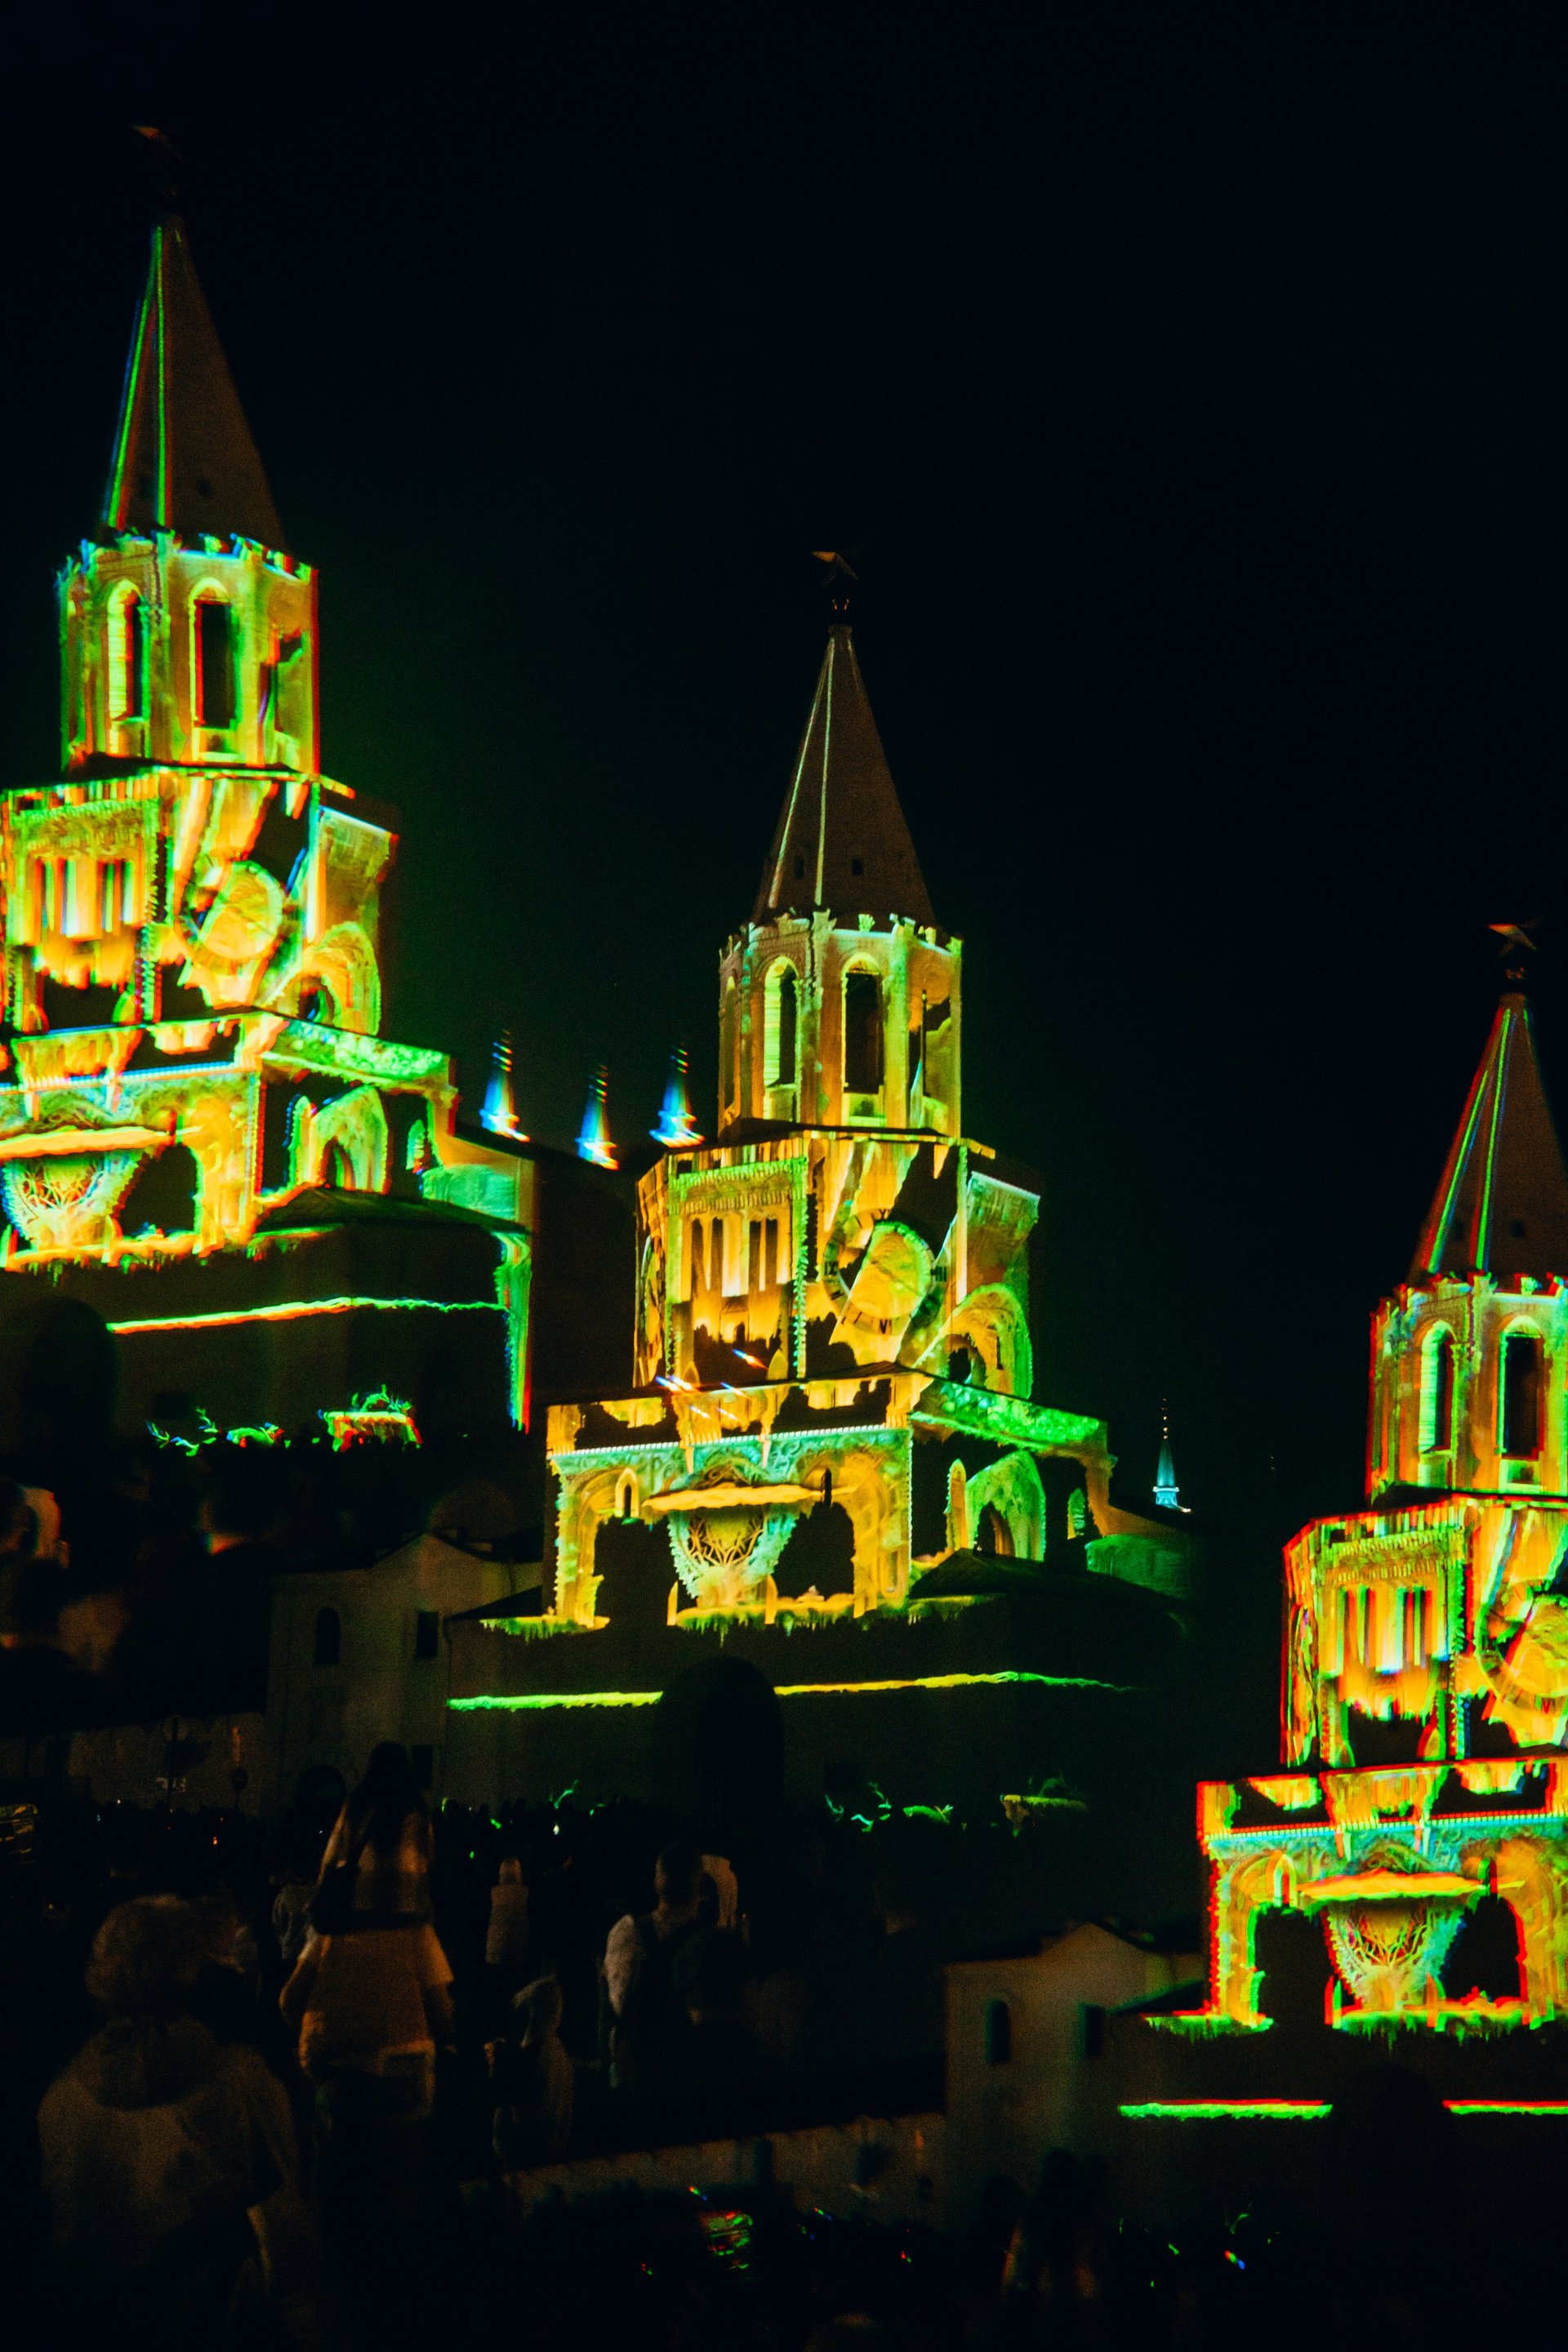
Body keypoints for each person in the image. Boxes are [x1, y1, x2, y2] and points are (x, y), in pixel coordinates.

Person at [38, 1895, 326, 2349]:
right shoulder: (239, 2080)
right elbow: (285, 2231)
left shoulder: (63, 2094)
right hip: (213, 2322)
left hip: (95, 2325)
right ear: (195, 1969)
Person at [603, 1840, 705, 2096]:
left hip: (638, 2065)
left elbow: (616, 2002)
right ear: (699, 1885)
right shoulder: (709, 1940)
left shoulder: (627, 1932)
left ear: (658, 1881)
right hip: (691, 2069)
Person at [317, 1741, 433, 1924]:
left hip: (360, 1905)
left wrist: (321, 1891)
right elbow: (429, 1857)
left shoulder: (357, 1804)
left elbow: (332, 1854)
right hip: (407, 1908)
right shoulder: (416, 1808)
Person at [488, 1975, 573, 2167]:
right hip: (554, 2151)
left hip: (523, 2155)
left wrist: (496, 2063)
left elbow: (505, 2096)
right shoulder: (558, 2050)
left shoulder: (532, 2053)